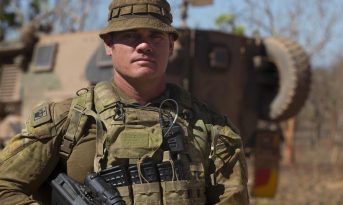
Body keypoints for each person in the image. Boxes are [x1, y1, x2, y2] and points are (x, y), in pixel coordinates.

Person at [0, 0, 249, 204]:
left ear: (171, 45)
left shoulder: (213, 129)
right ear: (109, 45)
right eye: (131, 36)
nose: (144, 46)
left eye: (156, 36)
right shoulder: (65, 121)